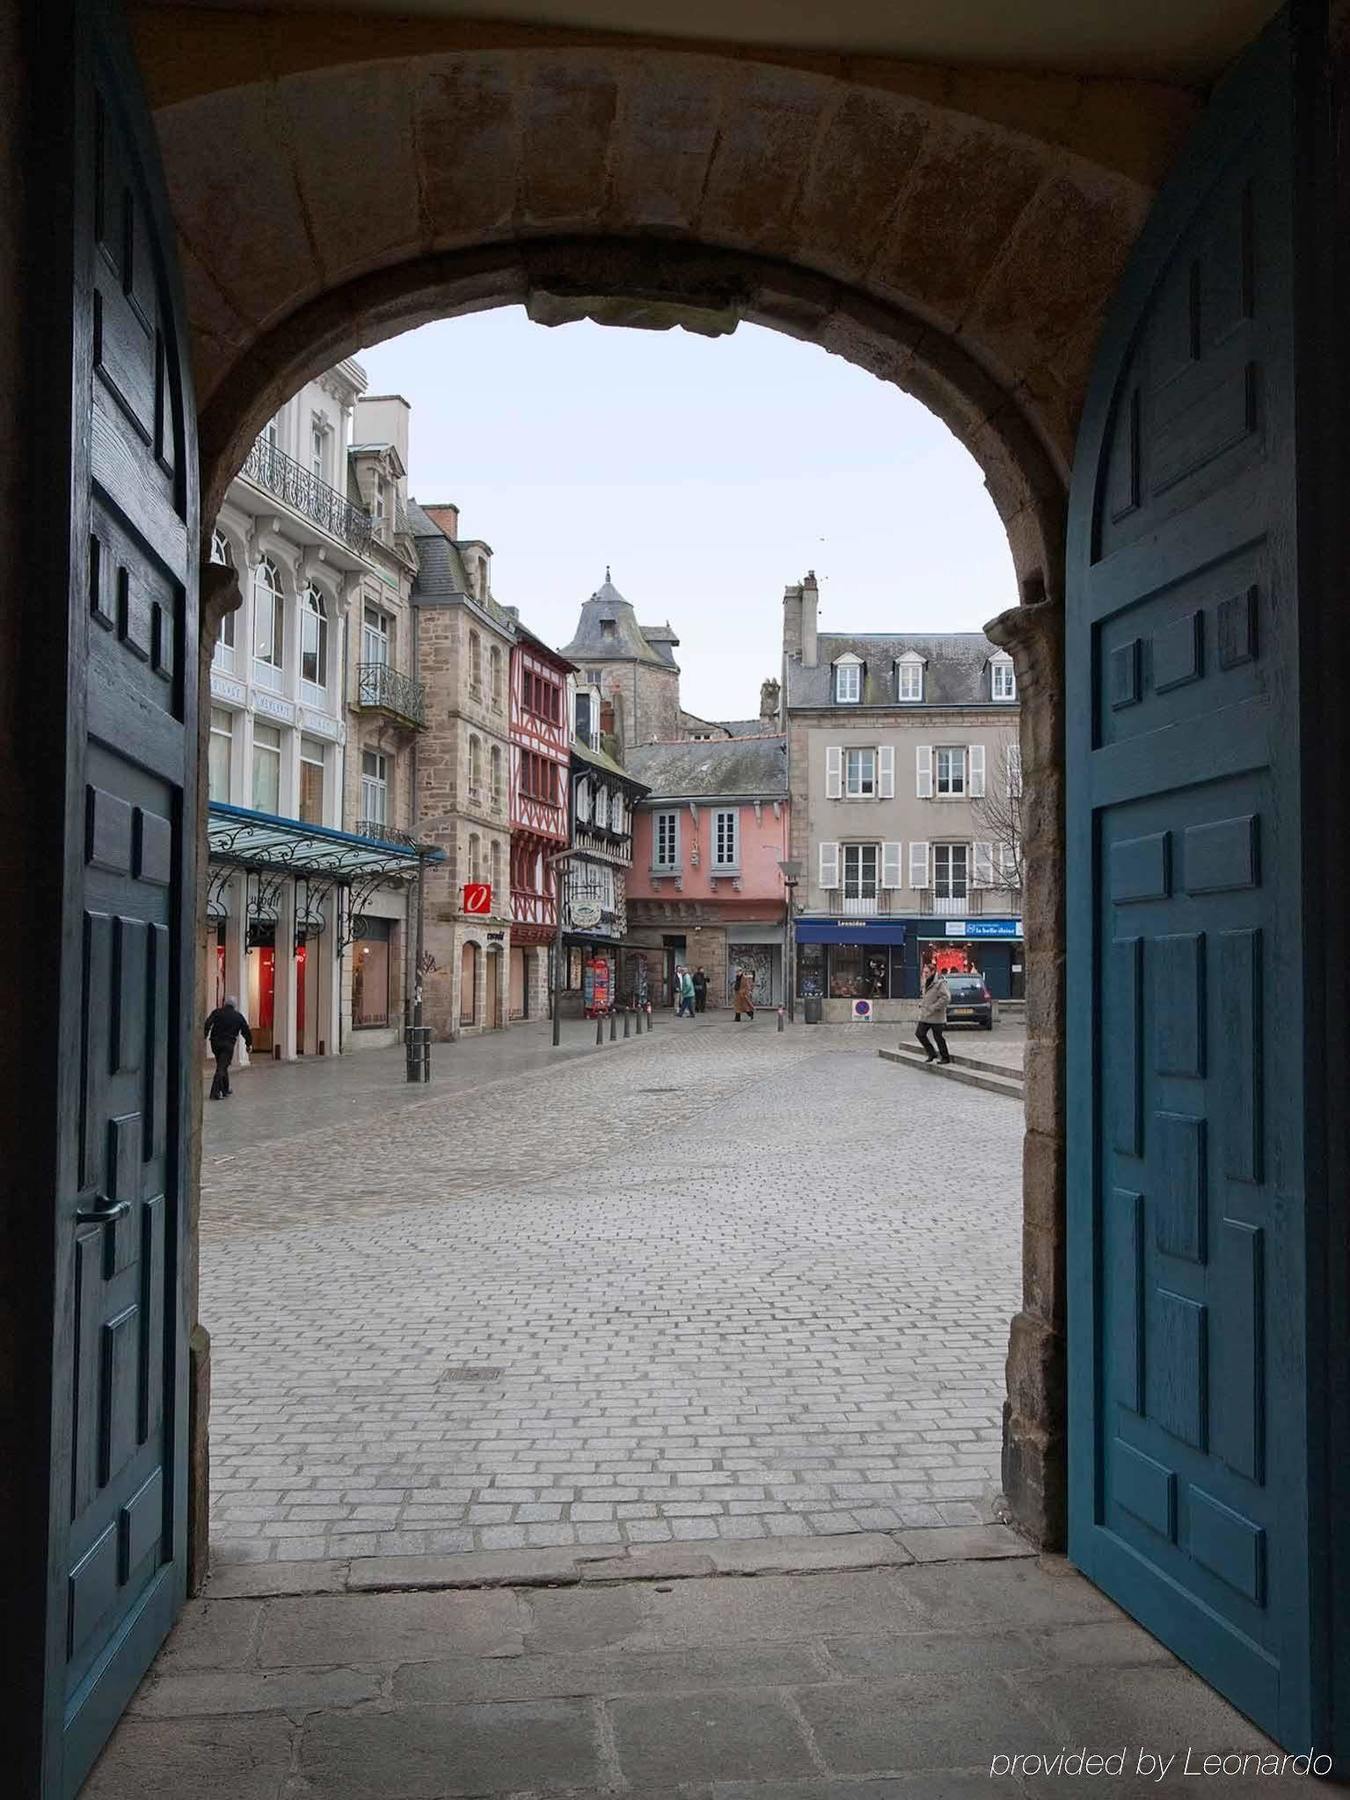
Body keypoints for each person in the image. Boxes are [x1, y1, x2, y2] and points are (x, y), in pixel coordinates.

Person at [204, 995, 252, 1099]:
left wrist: (205, 1034)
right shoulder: (238, 1016)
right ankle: (215, 1092)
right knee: (221, 1067)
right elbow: (246, 1031)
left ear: (224, 1003)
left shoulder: (217, 1012)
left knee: (222, 1064)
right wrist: (248, 1044)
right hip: (228, 1044)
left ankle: (225, 1088)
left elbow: (208, 1023)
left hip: (215, 1043)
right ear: (235, 1006)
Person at [915, 964, 951, 1064]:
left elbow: (946, 998)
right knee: (919, 1034)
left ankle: (945, 1057)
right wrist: (922, 1004)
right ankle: (932, 1053)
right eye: (923, 972)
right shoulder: (925, 982)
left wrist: (934, 1007)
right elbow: (927, 996)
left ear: (932, 972)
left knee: (938, 1037)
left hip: (936, 1016)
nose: (924, 974)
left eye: (926, 972)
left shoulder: (940, 983)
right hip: (926, 1015)